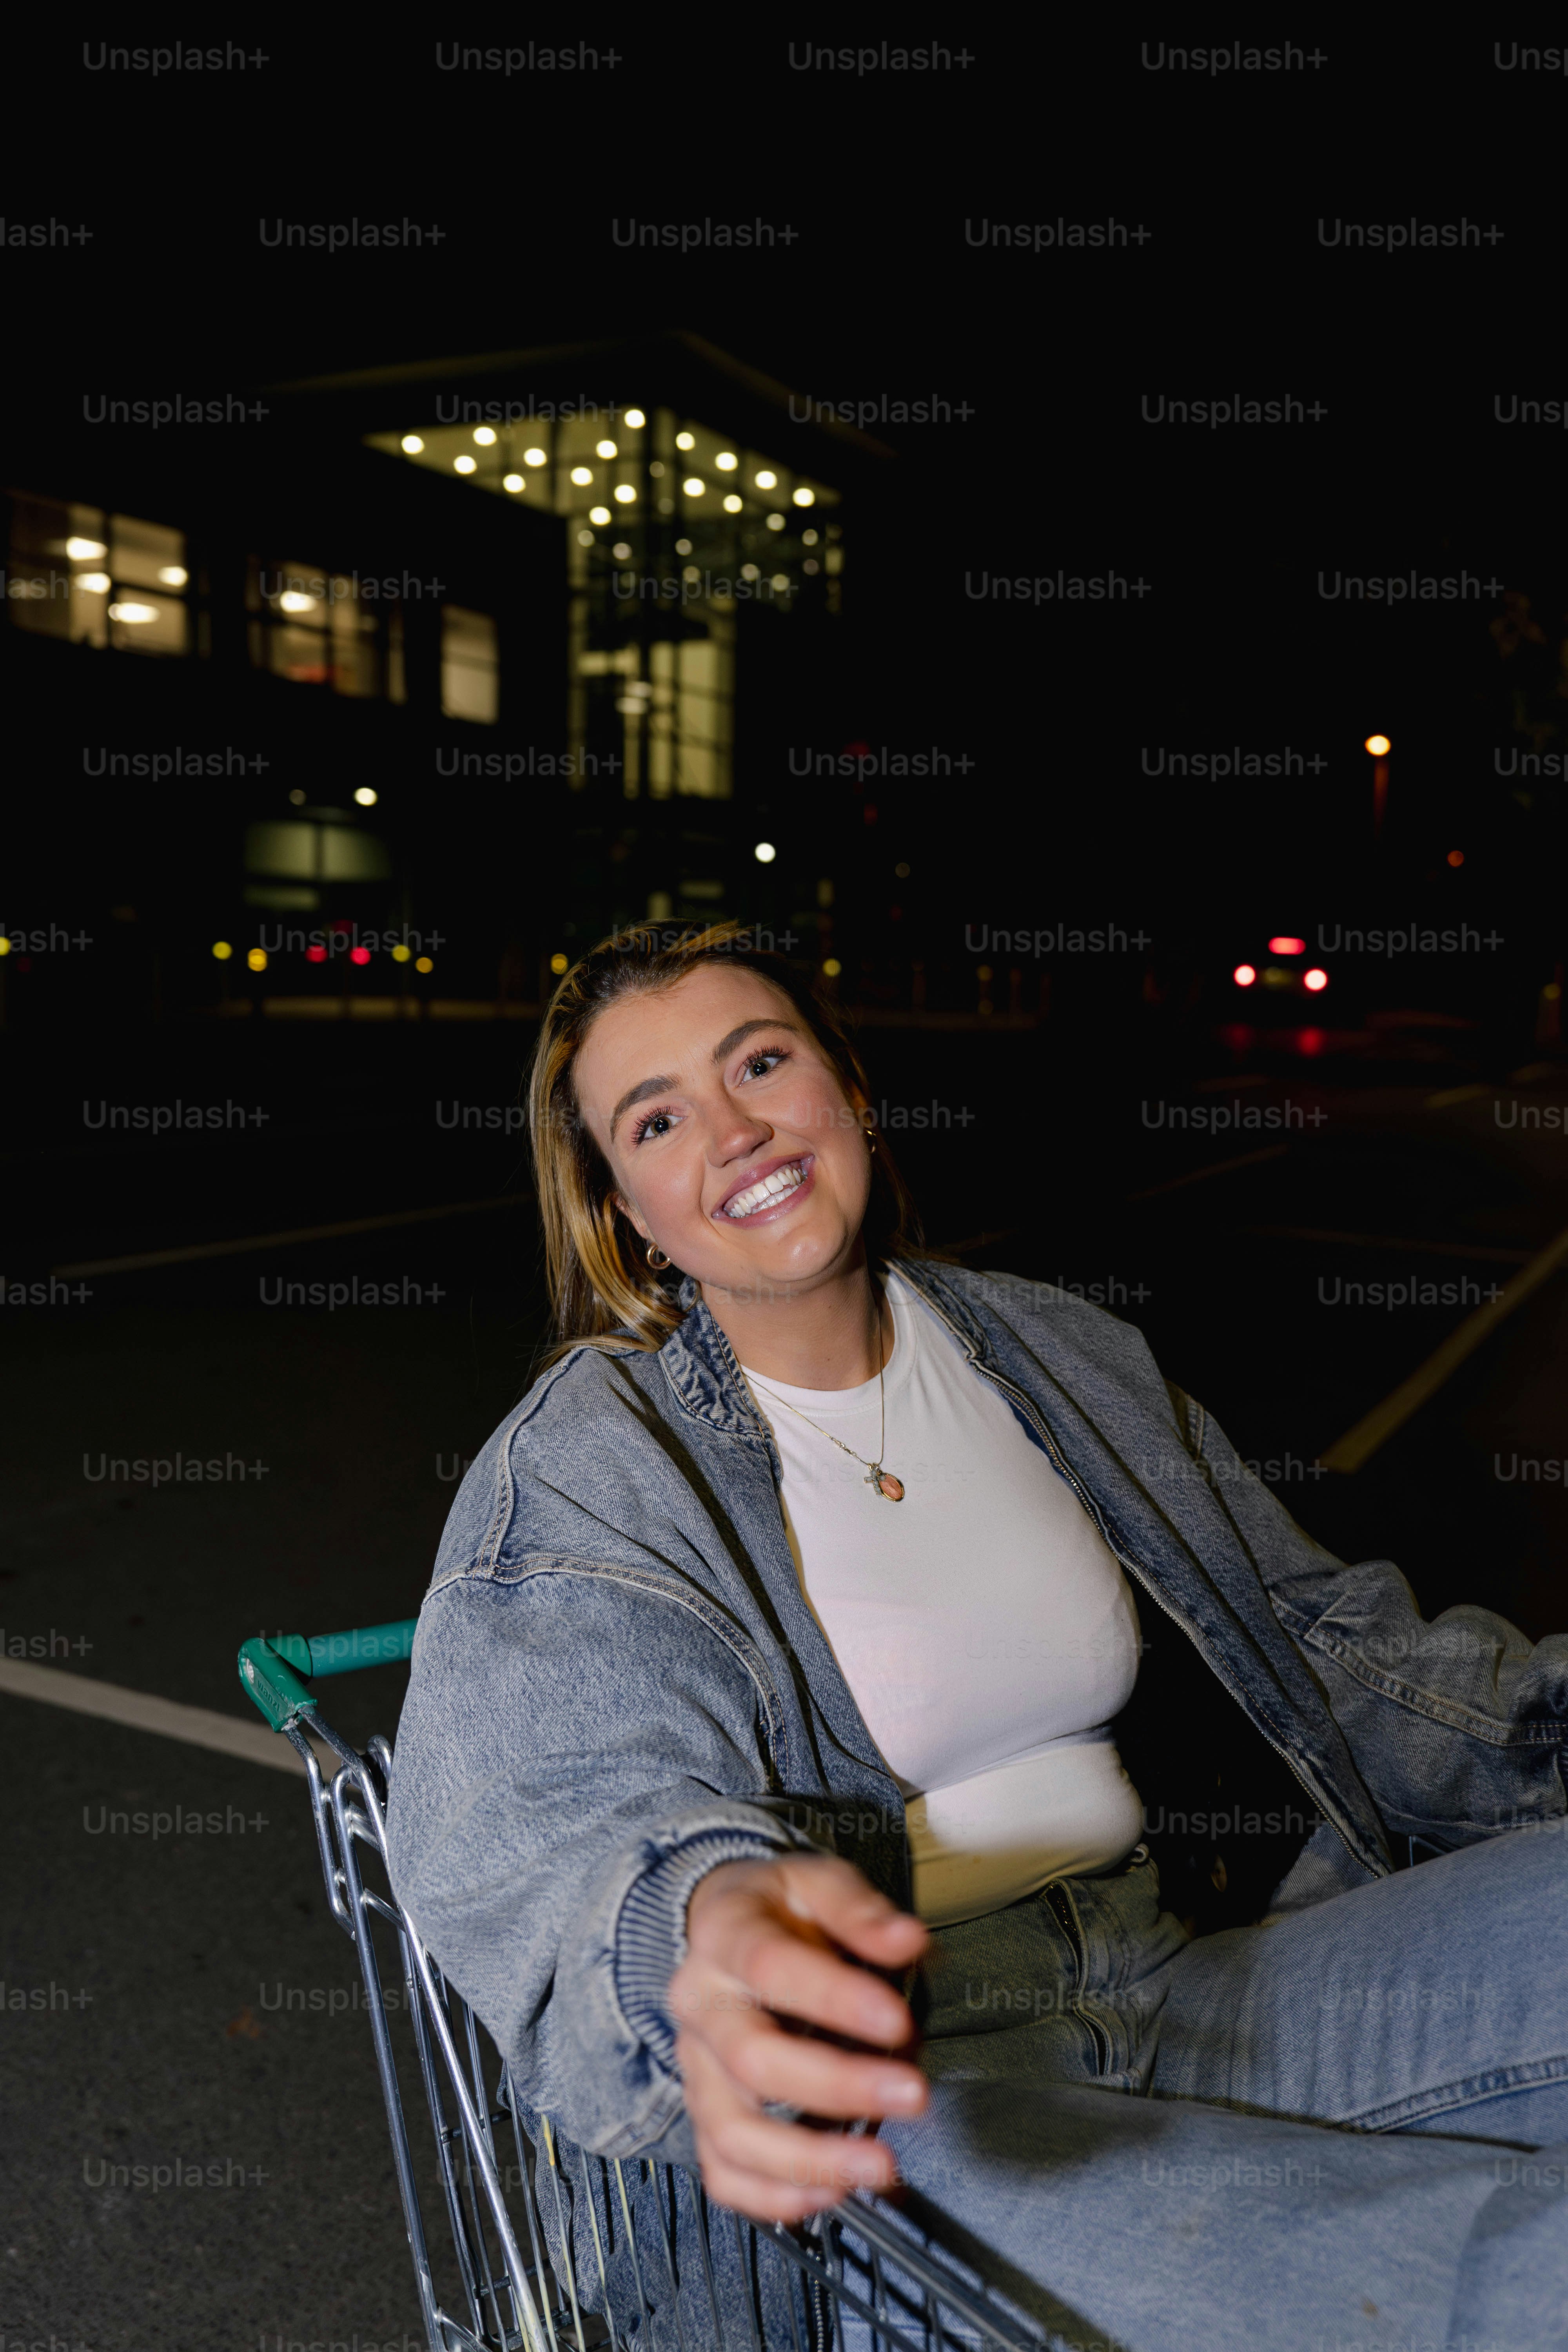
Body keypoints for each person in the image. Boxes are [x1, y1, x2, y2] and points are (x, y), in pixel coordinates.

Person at [387, 921, 1568, 2351]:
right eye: (659, 1117)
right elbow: (561, 1805)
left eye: (761, 1062)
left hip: (1179, 1974)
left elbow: (1325, 1633)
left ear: (851, 1090)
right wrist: (704, 1926)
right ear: (627, 1207)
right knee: (1509, 2273)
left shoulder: (1053, 1351)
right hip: (917, 2093)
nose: (737, 1129)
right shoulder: (590, 1472)